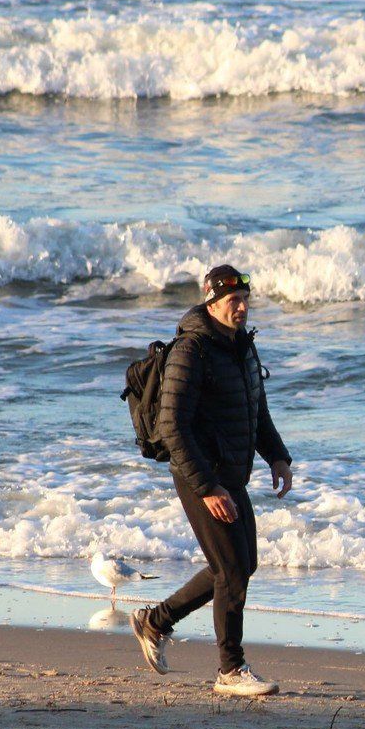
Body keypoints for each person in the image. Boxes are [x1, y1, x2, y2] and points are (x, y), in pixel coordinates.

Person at [130, 264, 293, 696]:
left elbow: (255, 410)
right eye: (232, 301)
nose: (241, 308)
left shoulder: (243, 346)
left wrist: (277, 456)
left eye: (244, 299)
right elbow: (172, 427)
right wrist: (206, 488)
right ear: (212, 301)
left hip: (232, 473)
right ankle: (230, 669)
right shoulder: (191, 350)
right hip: (199, 474)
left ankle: (156, 621)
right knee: (232, 570)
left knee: (240, 566)